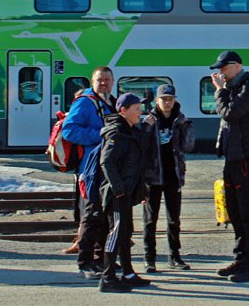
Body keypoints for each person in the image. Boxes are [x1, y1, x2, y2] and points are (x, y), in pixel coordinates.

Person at [211, 50, 249, 283]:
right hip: (232, 158)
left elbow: (231, 114)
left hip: (246, 159)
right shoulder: (234, 89)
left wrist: (220, 91)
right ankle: (240, 258)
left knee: (248, 213)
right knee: (234, 212)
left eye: (223, 67)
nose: (220, 72)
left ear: (236, 66)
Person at [62, 66, 117, 279]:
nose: (103, 83)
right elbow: (69, 130)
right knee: (92, 215)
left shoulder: (110, 103)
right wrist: (99, 135)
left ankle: (102, 260)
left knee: (106, 217)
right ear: (92, 83)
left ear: (113, 81)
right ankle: (85, 262)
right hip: (91, 169)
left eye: (107, 80)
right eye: (99, 80)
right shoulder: (85, 102)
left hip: (108, 168)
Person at [140, 84, 195, 273]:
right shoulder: (149, 122)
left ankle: (175, 256)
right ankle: (150, 258)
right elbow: (143, 150)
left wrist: (187, 127)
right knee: (150, 220)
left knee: (174, 220)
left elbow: (188, 147)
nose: (167, 102)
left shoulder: (180, 120)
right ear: (157, 100)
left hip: (174, 176)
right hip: (152, 177)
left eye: (170, 98)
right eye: (164, 99)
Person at [98, 93, 149, 293]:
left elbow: (135, 165)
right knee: (116, 233)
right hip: (116, 193)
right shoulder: (117, 132)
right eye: (136, 109)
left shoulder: (129, 130)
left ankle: (127, 273)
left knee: (125, 233)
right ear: (123, 111)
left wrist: (140, 190)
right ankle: (108, 278)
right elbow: (107, 161)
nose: (140, 112)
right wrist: (118, 188)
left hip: (126, 191)